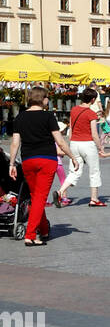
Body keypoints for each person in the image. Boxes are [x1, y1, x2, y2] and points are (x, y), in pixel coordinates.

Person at [8, 87, 79, 244]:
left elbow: (14, 143)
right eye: (47, 98)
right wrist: (72, 157)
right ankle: (31, 235)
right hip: (47, 160)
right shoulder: (48, 116)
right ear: (43, 99)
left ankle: (44, 230)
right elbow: (60, 141)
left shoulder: (20, 117)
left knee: (36, 197)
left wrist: (12, 163)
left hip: (27, 160)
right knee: (40, 198)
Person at [57, 86, 106, 207]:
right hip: (88, 144)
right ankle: (94, 199)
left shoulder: (73, 110)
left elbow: (71, 128)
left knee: (74, 170)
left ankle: (60, 191)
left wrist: (70, 142)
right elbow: (94, 134)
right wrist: (100, 147)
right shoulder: (91, 113)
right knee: (94, 171)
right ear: (93, 100)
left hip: (74, 143)